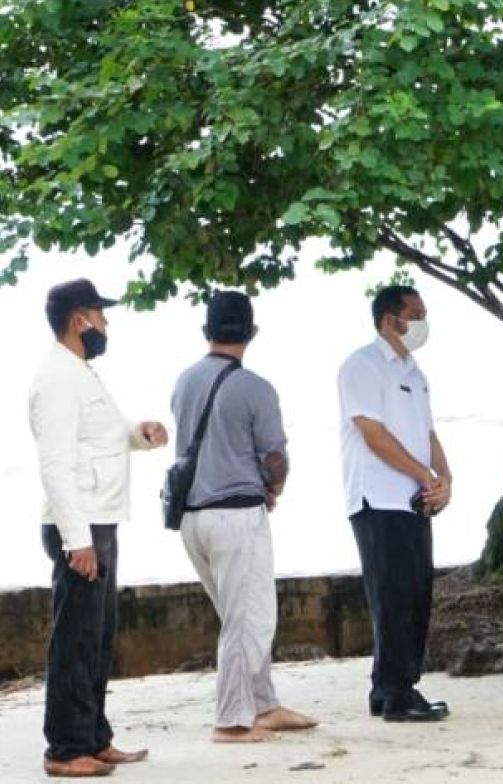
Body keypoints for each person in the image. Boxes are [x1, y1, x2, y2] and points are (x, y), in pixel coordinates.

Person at [29, 279, 168, 778]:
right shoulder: (58, 378)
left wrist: (139, 435)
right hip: (80, 526)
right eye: (100, 315)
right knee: (76, 640)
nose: (106, 324)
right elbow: (56, 464)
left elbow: (97, 440)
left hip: (98, 520)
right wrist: (78, 541)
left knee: (98, 636)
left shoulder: (80, 372)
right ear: (78, 320)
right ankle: (65, 749)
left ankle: (93, 737)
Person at [171, 291, 317, 743]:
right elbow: (274, 457)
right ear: (252, 332)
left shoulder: (184, 381)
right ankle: (232, 721)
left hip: (192, 517)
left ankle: (263, 704)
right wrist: (273, 488)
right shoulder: (256, 388)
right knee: (249, 619)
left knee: (238, 614)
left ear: (206, 331)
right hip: (236, 516)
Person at [339, 285, 452, 722]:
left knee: (418, 593)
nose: (422, 322)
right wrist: (422, 474)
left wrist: (444, 478)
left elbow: (426, 432)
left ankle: (391, 688)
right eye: (415, 313)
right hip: (377, 496)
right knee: (391, 595)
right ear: (390, 319)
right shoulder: (363, 366)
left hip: (414, 500)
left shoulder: (415, 372)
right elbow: (372, 431)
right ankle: (396, 692)